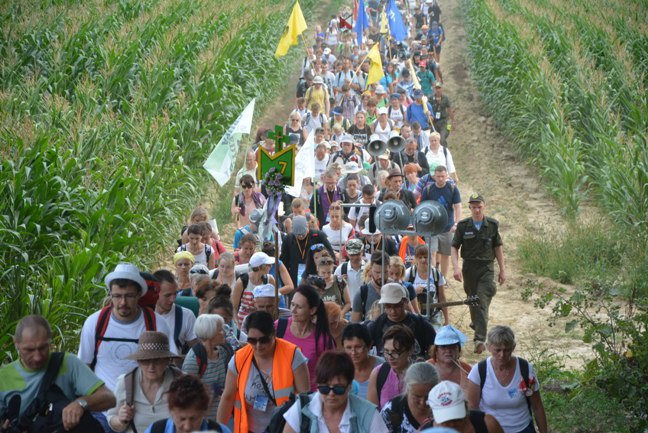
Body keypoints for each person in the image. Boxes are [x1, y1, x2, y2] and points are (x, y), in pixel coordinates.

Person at [0, 316, 115, 433]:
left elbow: (109, 398)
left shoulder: (68, 363)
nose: (37, 357)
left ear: (51, 339)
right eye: (29, 350)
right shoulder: (3, 377)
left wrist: (80, 404)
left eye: (43, 348)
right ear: (16, 343)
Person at [78, 263, 176, 391]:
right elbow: (84, 366)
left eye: (129, 296)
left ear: (139, 295)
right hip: (102, 407)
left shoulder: (157, 324)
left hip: (144, 406)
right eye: (117, 296)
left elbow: (169, 363)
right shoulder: (95, 322)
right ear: (110, 295)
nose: (123, 302)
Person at [217, 311, 310, 433]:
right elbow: (227, 397)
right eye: (252, 340)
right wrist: (218, 429)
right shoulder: (239, 359)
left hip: (283, 429)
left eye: (264, 340)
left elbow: (304, 399)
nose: (258, 345)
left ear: (274, 334)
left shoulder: (292, 355)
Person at [451, 194, 506, 353]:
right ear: (469, 208)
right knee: (473, 301)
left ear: (484, 206)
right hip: (469, 268)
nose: (476, 210)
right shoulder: (463, 226)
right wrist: (455, 267)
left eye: (479, 206)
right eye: (473, 207)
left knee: (481, 300)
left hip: (486, 268)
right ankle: (477, 322)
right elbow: (454, 247)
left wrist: (502, 269)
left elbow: (498, 247)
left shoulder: (492, 225)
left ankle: (479, 339)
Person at [283, 351, 389, 433]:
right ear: (318, 386)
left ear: (349, 387)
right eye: (324, 389)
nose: (331, 394)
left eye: (338, 389)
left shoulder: (368, 414)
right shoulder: (301, 408)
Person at [466, 326, 547, 433]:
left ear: (513, 347)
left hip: (523, 428)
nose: (502, 355)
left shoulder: (525, 369)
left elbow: (537, 406)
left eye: (507, 350)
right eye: (497, 350)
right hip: (490, 430)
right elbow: (472, 408)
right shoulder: (479, 371)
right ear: (489, 347)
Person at [107, 332, 183, 433]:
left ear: (167, 360)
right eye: (146, 360)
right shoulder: (126, 382)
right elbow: (111, 419)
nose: (151, 366)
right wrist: (121, 420)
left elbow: (198, 420)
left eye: (157, 360)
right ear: (138, 361)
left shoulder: (182, 382)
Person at [277, 285, 336, 391]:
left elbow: (330, 374)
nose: (293, 310)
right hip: (279, 395)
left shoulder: (323, 339)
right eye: (292, 304)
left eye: (299, 307)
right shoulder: (279, 327)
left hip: (309, 397)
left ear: (312, 310)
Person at [182, 314, 234, 420]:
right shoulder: (194, 359)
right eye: (220, 330)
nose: (224, 332)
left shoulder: (224, 353)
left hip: (226, 418)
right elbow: (186, 395)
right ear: (210, 333)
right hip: (204, 421)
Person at [366, 283, 436, 359]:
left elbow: (433, 349)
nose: (392, 311)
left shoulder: (421, 324)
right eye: (388, 306)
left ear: (405, 302)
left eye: (397, 306)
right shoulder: (376, 325)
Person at [144, 374, 231, 433]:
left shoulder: (221, 431)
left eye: (193, 419)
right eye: (182, 419)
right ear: (171, 412)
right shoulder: (155, 430)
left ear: (204, 412)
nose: (187, 427)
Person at [419, 165, 462, 277]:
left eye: (443, 176)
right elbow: (422, 207)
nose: (441, 179)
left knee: (445, 254)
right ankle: (433, 277)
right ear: (434, 176)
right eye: (438, 176)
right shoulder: (428, 190)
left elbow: (458, 207)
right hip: (432, 227)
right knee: (432, 252)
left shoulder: (452, 189)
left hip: (447, 227)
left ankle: (443, 278)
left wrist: (456, 223)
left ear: (446, 175)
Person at [380, 362, 439, 433]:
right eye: (417, 396)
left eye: (428, 396)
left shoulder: (446, 407)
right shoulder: (392, 410)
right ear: (408, 389)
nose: (422, 402)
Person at [367, 325, 416, 410]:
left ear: (410, 350)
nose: (390, 357)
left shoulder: (419, 375)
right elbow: (372, 413)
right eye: (386, 351)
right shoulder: (378, 373)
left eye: (396, 352)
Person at [280, 215, 334, 288]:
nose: (300, 237)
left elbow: (331, 256)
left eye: (302, 234)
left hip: (316, 276)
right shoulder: (288, 239)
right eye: (298, 235)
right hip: (295, 277)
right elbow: (284, 262)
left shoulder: (318, 236)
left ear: (307, 226)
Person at [428, 380, 504, 433]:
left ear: (465, 406)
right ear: (433, 415)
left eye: (456, 418)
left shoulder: (487, 424)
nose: (452, 424)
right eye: (446, 421)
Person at [153, 269, 198, 355]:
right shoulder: (142, 316)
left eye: (175, 294)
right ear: (155, 292)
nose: (173, 299)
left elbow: (198, 353)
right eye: (168, 295)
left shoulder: (186, 315)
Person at [405, 245, 449, 328]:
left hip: (434, 314)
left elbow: (442, 297)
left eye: (425, 257)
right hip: (413, 314)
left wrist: (446, 319)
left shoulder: (436, 274)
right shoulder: (409, 273)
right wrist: (413, 291)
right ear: (415, 258)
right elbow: (401, 293)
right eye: (420, 257)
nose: (423, 260)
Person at [341, 324, 385, 399]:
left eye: (358, 347)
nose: (353, 352)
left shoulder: (383, 367)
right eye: (348, 347)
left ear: (369, 346)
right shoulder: (338, 369)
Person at [233, 252, 276, 327]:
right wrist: (237, 325)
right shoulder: (242, 281)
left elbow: (274, 303)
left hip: (263, 321)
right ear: (260, 267)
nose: (271, 266)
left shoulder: (270, 279)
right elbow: (234, 307)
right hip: (243, 322)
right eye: (268, 265)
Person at [428, 325, 472, 394]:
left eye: (452, 346)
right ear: (436, 350)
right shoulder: (427, 368)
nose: (448, 350)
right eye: (443, 347)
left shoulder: (467, 370)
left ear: (458, 350)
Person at [351, 252, 386, 323]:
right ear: (371, 270)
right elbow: (355, 325)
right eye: (377, 272)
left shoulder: (399, 289)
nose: (380, 276)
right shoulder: (362, 292)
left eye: (385, 272)